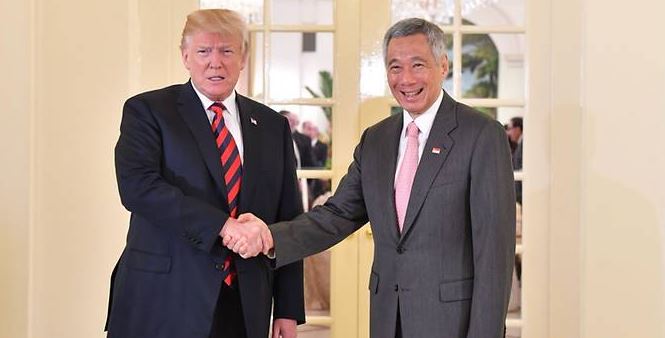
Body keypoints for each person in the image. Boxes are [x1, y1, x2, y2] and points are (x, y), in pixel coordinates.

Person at [224, 18, 516, 338]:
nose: (405, 79)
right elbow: (336, 215)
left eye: (418, 65)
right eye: (395, 67)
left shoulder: (481, 135)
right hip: (387, 318)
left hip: (452, 322)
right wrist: (268, 237)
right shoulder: (376, 140)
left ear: (442, 65)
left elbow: (493, 255)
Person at [105, 9, 304, 338]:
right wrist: (222, 227)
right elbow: (138, 188)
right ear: (185, 56)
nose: (216, 62)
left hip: (244, 301)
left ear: (243, 57)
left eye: (227, 51)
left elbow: (288, 216)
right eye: (203, 51)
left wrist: (287, 308)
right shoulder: (148, 111)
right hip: (163, 298)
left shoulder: (272, 126)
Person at [507, 116, 523, 204]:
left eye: (510, 129)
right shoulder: (520, 145)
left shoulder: (524, 145)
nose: (508, 133)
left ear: (517, 129)